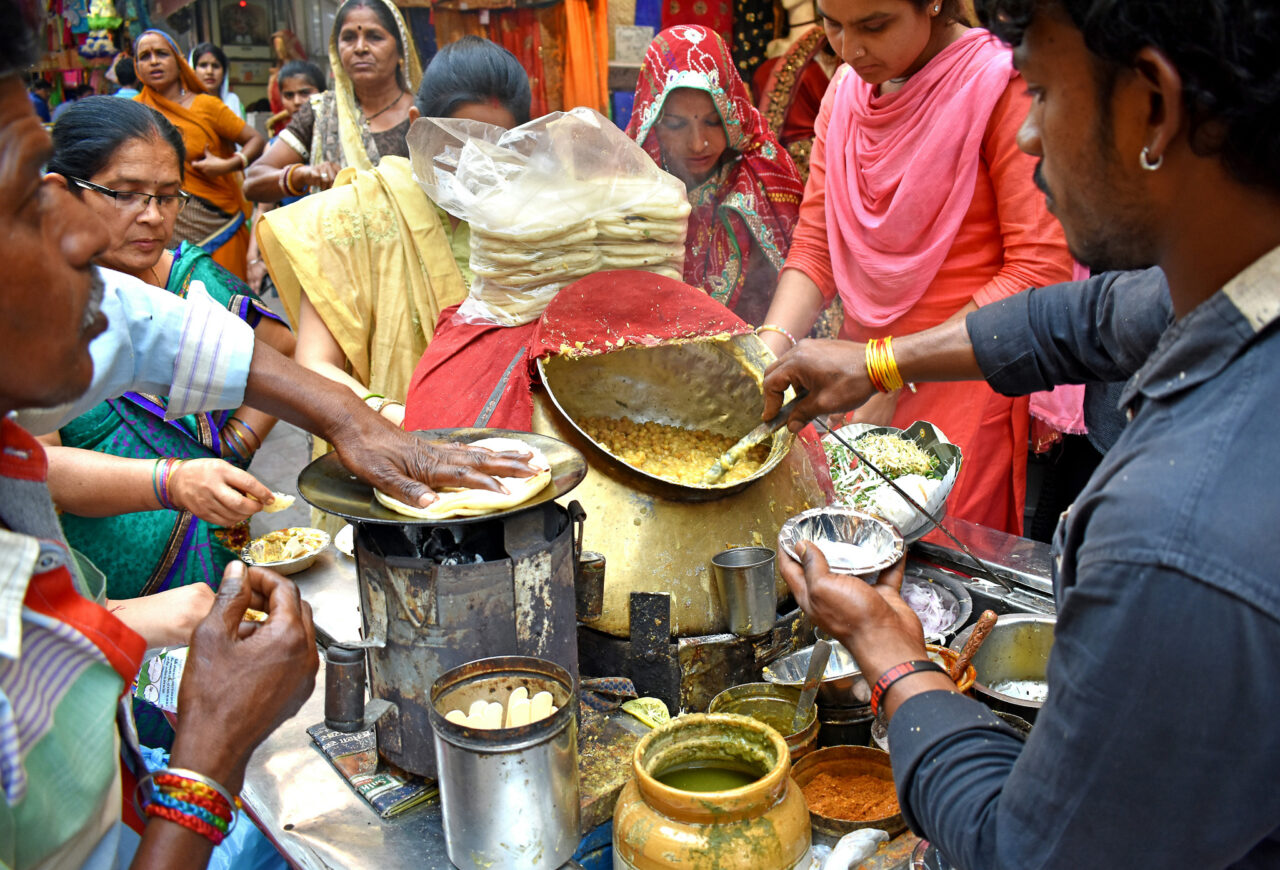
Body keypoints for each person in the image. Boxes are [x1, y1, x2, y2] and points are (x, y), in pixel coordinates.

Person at [764, 0, 1280, 865]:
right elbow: (1082, 318)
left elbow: (1028, 851)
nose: (1031, 133)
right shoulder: (1231, 284)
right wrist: (878, 364)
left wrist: (898, 663)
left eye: (1041, 91)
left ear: (1152, 104)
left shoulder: (1173, 535)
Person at [757, 0, 1076, 535]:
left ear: (933, 2)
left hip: (965, 375)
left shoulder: (1003, 86)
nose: (850, 50)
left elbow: (1036, 273)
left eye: (875, 25)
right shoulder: (844, 94)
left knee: (937, 584)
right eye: (833, 26)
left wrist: (887, 373)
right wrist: (764, 355)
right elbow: (816, 244)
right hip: (848, 386)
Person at [41, 97, 296, 750]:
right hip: (113, 586)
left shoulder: (190, 282)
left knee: (221, 719)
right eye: (125, 194)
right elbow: (38, 467)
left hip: (211, 552)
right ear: (61, 192)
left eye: (167, 195)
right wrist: (173, 480)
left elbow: (280, 357)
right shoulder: (35, 307)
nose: (151, 216)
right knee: (129, 733)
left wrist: (237, 441)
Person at [256, 37, 531, 533]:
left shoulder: (531, 224)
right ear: (416, 127)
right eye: (457, 145)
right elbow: (314, 364)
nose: (475, 168)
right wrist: (404, 426)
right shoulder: (351, 216)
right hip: (384, 465)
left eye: (496, 150)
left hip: (504, 467)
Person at [626, 25, 804, 325]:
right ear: (652, 121)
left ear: (732, 111)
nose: (698, 143)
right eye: (676, 125)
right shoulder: (628, 184)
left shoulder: (765, 175)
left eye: (713, 122)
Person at [244, 0, 422, 203]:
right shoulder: (322, 112)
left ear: (400, 49)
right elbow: (252, 182)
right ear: (336, 50)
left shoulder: (423, 111)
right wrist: (303, 174)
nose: (360, 48)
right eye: (348, 38)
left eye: (375, 37)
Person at [133, 29, 265, 280]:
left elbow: (255, 140)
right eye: (145, 56)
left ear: (179, 61)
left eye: (162, 54)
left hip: (219, 224)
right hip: (160, 229)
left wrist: (229, 164)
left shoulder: (207, 105)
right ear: (137, 67)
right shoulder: (133, 112)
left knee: (230, 311)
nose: (153, 61)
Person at [266, 29, 309, 134]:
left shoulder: (301, 72)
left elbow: (300, 104)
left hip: (295, 125)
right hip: (279, 127)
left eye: (281, 47)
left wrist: (273, 119)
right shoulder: (276, 73)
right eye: (276, 48)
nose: (279, 50)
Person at [189, 41, 244, 118]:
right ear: (193, 70)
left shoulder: (232, 101)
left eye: (215, 66)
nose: (210, 72)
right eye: (203, 65)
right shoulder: (187, 104)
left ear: (224, 72)